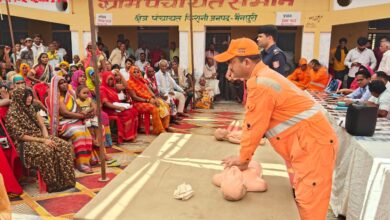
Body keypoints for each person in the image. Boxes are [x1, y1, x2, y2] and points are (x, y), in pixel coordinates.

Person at [215, 38, 337, 220]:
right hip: (308, 142)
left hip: (313, 145)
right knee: (304, 195)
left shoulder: (263, 83)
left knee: (309, 205)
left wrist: (243, 159)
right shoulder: (261, 78)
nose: (228, 67)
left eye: (231, 62)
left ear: (246, 62)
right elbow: (256, 122)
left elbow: (253, 125)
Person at [6, 88, 75, 192]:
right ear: (19, 98)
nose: (29, 98)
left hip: (40, 137)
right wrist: (43, 141)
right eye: (26, 96)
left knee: (64, 146)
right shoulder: (12, 114)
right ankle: (53, 184)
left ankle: (66, 180)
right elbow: (20, 136)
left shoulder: (31, 108)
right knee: (47, 150)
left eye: (30, 96)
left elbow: (42, 126)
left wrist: (47, 138)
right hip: (24, 143)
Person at [48, 76, 96, 173]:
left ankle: (87, 159)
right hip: (63, 123)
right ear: (56, 86)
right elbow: (65, 113)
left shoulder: (71, 95)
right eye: (61, 83)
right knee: (79, 134)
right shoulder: (56, 98)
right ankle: (81, 164)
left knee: (86, 132)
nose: (64, 84)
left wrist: (85, 113)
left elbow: (78, 108)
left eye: (65, 82)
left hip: (75, 120)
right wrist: (81, 116)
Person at [127, 66, 170, 134]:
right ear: (131, 73)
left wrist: (155, 98)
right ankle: (159, 129)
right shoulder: (129, 83)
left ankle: (165, 126)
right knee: (154, 108)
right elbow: (134, 97)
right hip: (138, 103)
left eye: (138, 72)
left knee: (165, 105)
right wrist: (147, 100)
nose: (136, 74)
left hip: (149, 99)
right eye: (134, 72)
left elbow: (150, 91)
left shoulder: (142, 80)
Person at [100, 71, 138, 142]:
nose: (112, 81)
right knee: (127, 114)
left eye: (112, 79)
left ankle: (131, 134)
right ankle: (126, 136)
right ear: (105, 79)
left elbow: (126, 87)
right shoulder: (102, 88)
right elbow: (106, 104)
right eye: (109, 79)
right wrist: (119, 108)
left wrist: (120, 74)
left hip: (116, 107)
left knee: (133, 111)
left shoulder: (112, 88)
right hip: (109, 110)